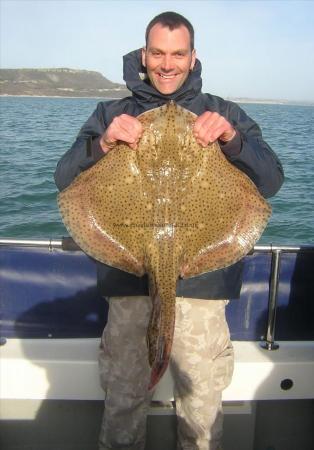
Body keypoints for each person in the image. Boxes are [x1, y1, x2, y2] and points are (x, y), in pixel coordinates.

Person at [55, 11, 284, 450]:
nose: (166, 64)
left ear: (193, 58)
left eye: (177, 54)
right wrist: (102, 142)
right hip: (128, 286)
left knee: (201, 411)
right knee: (123, 402)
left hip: (203, 285)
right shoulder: (111, 112)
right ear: (144, 54)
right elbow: (65, 179)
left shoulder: (225, 113)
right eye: (157, 53)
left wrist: (232, 139)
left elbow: (271, 181)